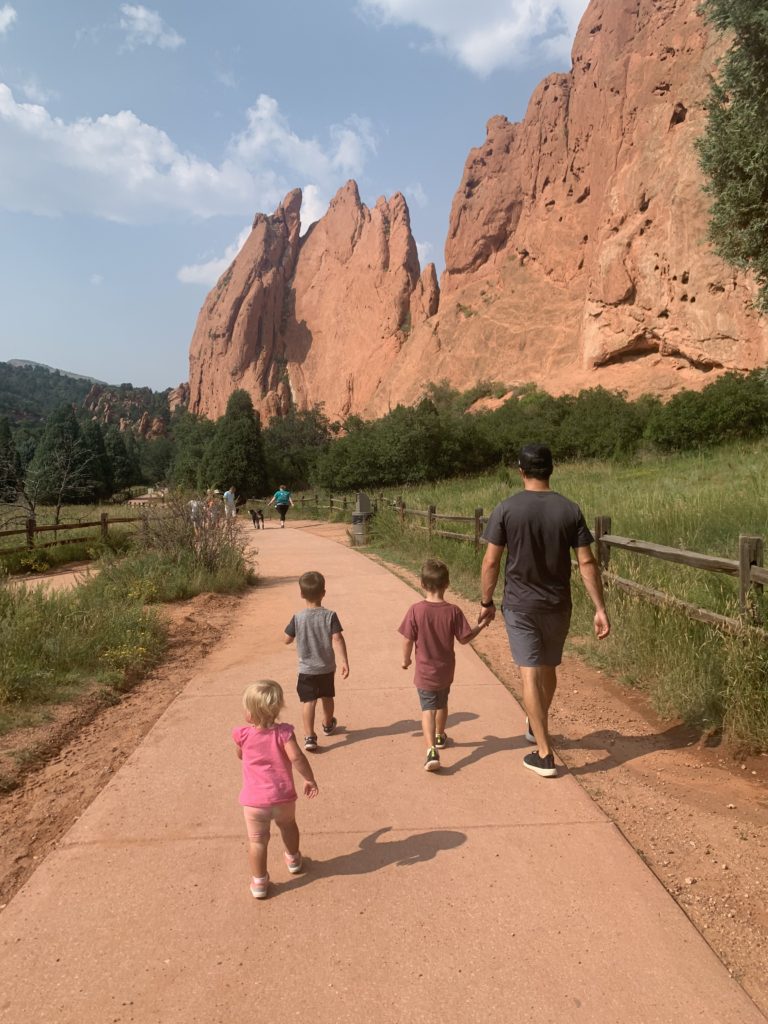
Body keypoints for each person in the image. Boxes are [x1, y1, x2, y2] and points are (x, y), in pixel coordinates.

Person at [479, 444, 610, 778]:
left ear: (521, 471)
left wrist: (486, 601)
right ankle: (536, 724)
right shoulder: (569, 510)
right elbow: (586, 561)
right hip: (558, 604)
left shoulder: (507, 508)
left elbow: (492, 560)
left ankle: (544, 753)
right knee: (548, 668)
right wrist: (599, 608)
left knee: (529, 671)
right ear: (551, 469)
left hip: (521, 604)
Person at [232, 680, 318, 900]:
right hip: (282, 797)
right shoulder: (284, 733)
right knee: (288, 826)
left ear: (250, 714)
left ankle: (259, 882)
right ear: (277, 708)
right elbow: (297, 757)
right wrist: (309, 779)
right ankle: (293, 859)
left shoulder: (242, 734)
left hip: (254, 802)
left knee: (257, 841)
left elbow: (241, 755)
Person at [399, 558, 487, 772]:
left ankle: (431, 750)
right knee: (442, 702)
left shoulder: (416, 610)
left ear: (421, 584)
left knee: (427, 709)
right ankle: (440, 735)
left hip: (424, 672)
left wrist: (406, 659)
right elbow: (465, 638)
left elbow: (407, 639)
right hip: (445, 671)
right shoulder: (453, 611)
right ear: (447, 584)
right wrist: (481, 625)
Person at [284, 571, 349, 751]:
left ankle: (309, 736)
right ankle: (328, 724)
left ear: (302, 594)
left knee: (309, 701)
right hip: (326, 667)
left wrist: (289, 637)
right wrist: (345, 661)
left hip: (306, 669)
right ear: (323, 593)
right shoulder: (330, 616)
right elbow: (338, 639)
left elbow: (287, 639)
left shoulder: (298, 617)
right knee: (327, 696)